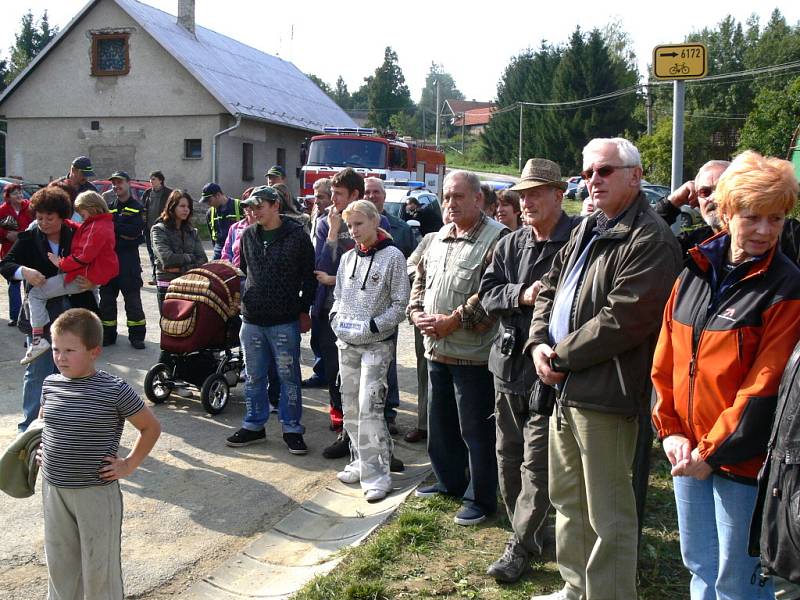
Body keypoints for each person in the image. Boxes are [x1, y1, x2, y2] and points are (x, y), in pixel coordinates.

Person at [527, 138, 681, 600]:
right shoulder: (589, 226)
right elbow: (550, 286)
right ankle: (575, 589)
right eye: (588, 172)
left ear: (635, 176)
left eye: (605, 171)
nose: (593, 180)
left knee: (608, 515)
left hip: (608, 394)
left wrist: (559, 356)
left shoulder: (651, 238)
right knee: (568, 502)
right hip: (565, 388)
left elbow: (623, 318)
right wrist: (537, 342)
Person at [651, 150, 800, 600]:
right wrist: (670, 431)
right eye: (753, 217)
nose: (764, 231)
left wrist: (710, 452)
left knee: (737, 581)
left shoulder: (786, 286)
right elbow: (665, 360)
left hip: (743, 460)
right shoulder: (694, 270)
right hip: (686, 451)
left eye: (775, 219)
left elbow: (764, 385)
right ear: (728, 209)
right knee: (698, 565)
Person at [479, 158, 580, 583]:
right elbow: (486, 294)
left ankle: (519, 546)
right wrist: (522, 294)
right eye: (523, 194)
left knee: (536, 464)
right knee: (508, 456)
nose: (527, 202)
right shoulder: (510, 243)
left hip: (548, 370)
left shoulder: (577, 239)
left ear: (559, 194)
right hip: (506, 366)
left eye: (536, 193)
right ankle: (528, 531)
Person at [39, 308, 160, 600]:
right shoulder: (50, 384)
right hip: (54, 489)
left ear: (93, 351)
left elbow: (151, 428)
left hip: (95, 492)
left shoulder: (114, 389)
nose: (60, 357)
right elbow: (44, 422)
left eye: (69, 350)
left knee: (98, 569)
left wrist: (129, 464)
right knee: (59, 564)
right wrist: (40, 448)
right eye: (56, 349)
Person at [409, 170, 508, 526]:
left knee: (475, 432)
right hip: (435, 348)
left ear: (479, 199)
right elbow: (420, 276)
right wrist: (416, 311)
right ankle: (449, 482)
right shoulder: (438, 237)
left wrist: (454, 320)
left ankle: (480, 498)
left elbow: (492, 295)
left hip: (473, 354)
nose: (450, 204)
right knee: (442, 425)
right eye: (446, 197)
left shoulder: (499, 239)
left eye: (458, 197)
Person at [225, 185, 316, 455]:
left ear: (275, 205)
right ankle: (254, 425)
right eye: (250, 208)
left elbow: (309, 277)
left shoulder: (297, 235)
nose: (253, 212)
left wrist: (303, 309)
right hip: (252, 319)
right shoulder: (249, 235)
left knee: (289, 376)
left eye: (259, 206)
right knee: (253, 377)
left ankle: (292, 429)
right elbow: (244, 270)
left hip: (284, 320)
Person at [0, 186, 98, 432]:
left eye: (49, 218)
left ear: (62, 216)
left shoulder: (78, 234)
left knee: (72, 370)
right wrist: (25, 272)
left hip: (77, 310)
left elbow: (101, 261)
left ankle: (67, 426)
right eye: (39, 217)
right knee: (38, 371)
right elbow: (6, 264)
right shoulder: (30, 237)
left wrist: (94, 279)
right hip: (41, 318)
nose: (43, 222)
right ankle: (29, 429)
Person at [331, 200, 410, 502]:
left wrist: (374, 327)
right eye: (350, 226)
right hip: (347, 343)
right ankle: (359, 460)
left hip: (376, 345)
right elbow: (338, 296)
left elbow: (399, 304)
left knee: (370, 407)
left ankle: (378, 474)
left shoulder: (393, 257)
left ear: (375, 222)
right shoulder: (348, 258)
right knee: (350, 404)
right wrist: (335, 318)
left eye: (359, 224)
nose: (353, 231)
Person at [313, 168, 392, 459]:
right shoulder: (326, 223)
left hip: (370, 321)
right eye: (331, 193)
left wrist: (340, 278)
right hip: (331, 311)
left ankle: (378, 448)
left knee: (372, 388)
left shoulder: (375, 226)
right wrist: (333, 233)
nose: (332, 200)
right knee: (338, 378)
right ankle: (345, 434)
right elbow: (321, 266)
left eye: (338, 194)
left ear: (355, 195)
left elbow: (379, 268)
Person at [23, 191, 118, 364]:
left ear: (93, 208)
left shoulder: (96, 227)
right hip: (84, 279)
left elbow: (84, 255)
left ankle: (37, 338)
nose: (81, 219)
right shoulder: (99, 224)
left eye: (82, 214)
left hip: (78, 277)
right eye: (41, 218)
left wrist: (62, 264)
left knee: (35, 294)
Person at [655, 159, 800, 263]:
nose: (715, 198)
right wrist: (671, 203)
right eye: (705, 192)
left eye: (721, 189)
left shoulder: (789, 234)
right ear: (695, 200)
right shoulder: (693, 246)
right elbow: (641, 247)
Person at [363, 176, 414, 433]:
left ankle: (389, 411)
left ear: (384, 196)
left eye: (376, 192)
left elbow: (413, 267)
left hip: (388, 308)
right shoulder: (355, 226)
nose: (372, 196)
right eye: (367, 192)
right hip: (362, 308)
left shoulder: (402, 229)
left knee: (388, 362)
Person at [100, 171, 147, 349]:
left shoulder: (138, 207)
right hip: (109, 262)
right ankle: (108, 335)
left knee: (133, 303)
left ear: (128, 183)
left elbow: (135, 232)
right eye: (114, 183)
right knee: (107, 303)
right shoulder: (109, 206)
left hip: (129, 264)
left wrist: (115, 227)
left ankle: (137, 337)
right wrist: (122, 230)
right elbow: (105, 232)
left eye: (119, 182)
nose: (116, 186)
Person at [150, 190, 207, 310]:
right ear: (172, 207)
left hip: (189, 284)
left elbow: (203, 260)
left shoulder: (192, 231)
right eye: (182, 206)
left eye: (188, 207)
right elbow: (168, 259)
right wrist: (191, 257)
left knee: (188, 326)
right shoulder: (159, 230)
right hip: (168, 286)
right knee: (169, 326)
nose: (186, 209)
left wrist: (182, 268)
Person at [303, 178, 333, 389]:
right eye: (315, 195)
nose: (316, 200)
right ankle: (320, 370)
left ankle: (325, 372)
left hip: (327, 284)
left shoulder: (334, 221)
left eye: (321, 196)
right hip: (315, 281)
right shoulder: (316, 216)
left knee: (325, 336)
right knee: (316, 334)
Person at [0, 183, 33, 326]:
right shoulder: (2, 210)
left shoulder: (30, 208)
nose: (19, 196)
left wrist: (20, 235)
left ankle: (28, 315)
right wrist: (6, 234)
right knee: (13, 285)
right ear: (8, 197)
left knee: (29, 286)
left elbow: (35, 225)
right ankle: (15, 316)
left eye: (20, 193)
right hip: (9, 253)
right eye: (15, 193)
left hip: (28, 252)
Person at [141, 170, 173, 285]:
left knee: (161, 252)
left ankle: (163, 275)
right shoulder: (147, 193)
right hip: (149, 229)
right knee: (151, 252)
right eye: (151, 179)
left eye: (153, 179)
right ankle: (155, 276)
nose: (151, 181)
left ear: (160, 180)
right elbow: (143, 209)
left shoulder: (169, 193)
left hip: (163, 228)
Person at [200, 183, 241, 260]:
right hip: (219, 251)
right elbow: (213, 238)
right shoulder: (210, 213)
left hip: (238, 250)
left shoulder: (239, 206)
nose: (208, 204)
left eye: (209, 200)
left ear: (218, 195)